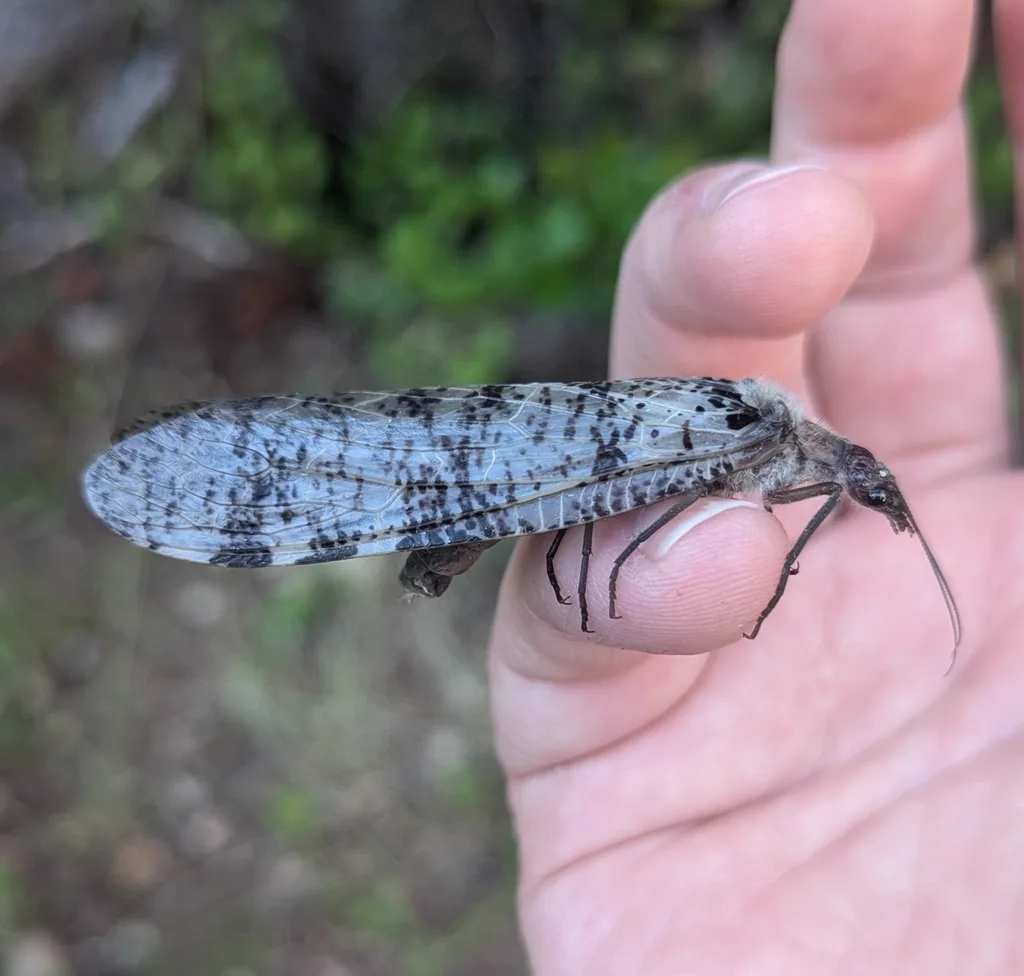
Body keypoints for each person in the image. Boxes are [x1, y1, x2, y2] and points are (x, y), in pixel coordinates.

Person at [488, 1, 1024, 972]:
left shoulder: (808, 470)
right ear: (847, 471)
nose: (861, 494)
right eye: (866, 487)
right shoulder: (779, 447)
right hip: (542, 464)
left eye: (867, 490)